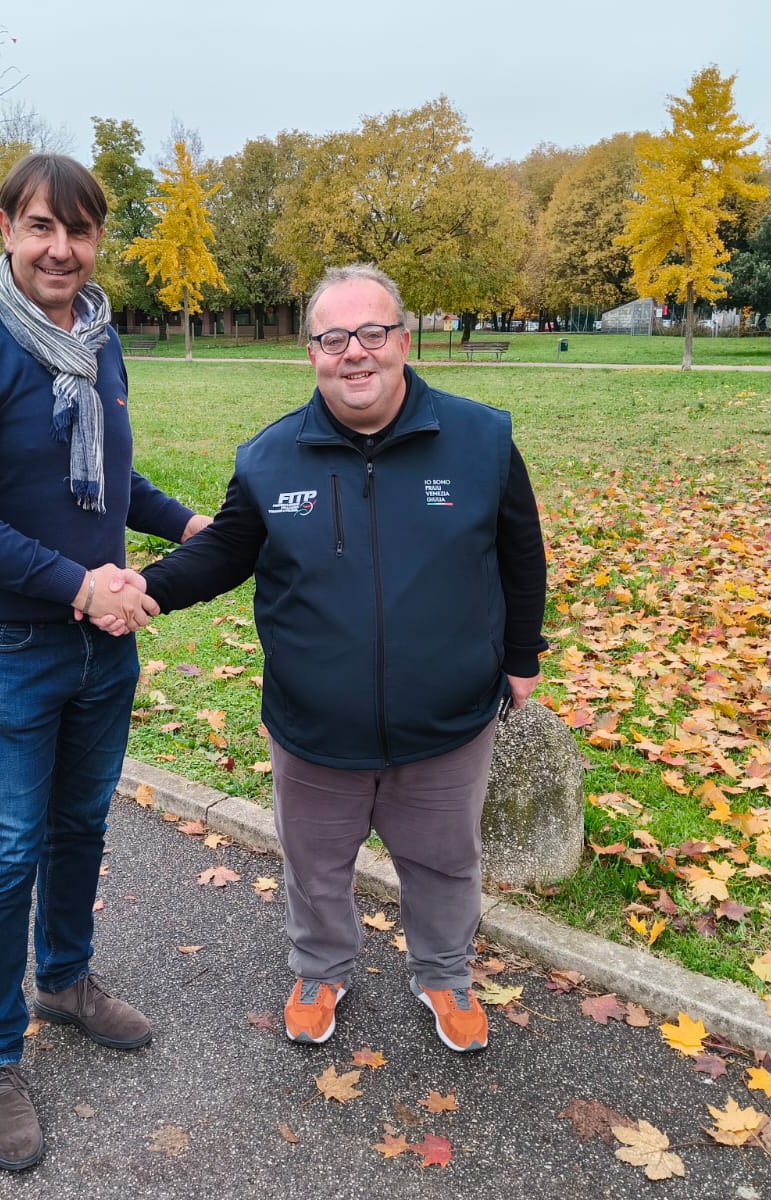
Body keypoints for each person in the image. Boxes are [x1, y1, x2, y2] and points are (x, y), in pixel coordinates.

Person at [131, 263, 546, 1054]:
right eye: (333, 337)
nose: (354, 352)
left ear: (404, 340)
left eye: (372, 333)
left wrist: (521, 655)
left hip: (448, 719)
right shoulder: (269, 458)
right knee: (315, 867)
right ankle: (321, 968)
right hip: (314, 726)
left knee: (445, 865)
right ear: (311, 352)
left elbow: (522, 557)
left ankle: (444, 975)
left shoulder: (482, 440)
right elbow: (223, 552)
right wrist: (142, 592)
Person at [0, 153, 209, 1173]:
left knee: (80, 823)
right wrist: (79, 582)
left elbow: (108, 481)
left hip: (99, 644)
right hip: (5, 646)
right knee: (4, 852)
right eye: (41, 226)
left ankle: (66, 979)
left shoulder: (97, 343)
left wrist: (183, 521)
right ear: (4, 227)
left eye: (78, 232)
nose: (61, 249)